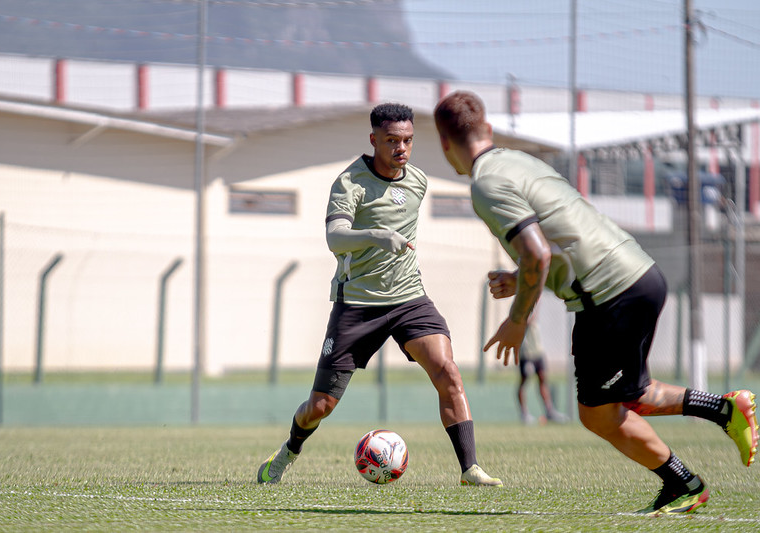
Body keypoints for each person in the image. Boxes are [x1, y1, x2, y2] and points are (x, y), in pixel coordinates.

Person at [433, 90, 758, 514]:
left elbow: (537, 252)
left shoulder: (485, 183)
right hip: (639, 272)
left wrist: (517, 318)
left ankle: (685, 481)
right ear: (489, 129)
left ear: (444, 144)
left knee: (599, 412)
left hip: (609, 295)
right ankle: (722, 412)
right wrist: (521, 278)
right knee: (630, 395)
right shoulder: (520, 161)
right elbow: (562, 236)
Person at [257, 102, 502, 487]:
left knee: (448, 371)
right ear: (374, 140)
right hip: (357, 304)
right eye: (391, 140)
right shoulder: (350, 183)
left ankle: (470, 468)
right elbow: (334, 236)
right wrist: (375, 236)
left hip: (409, 299)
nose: (401, 148)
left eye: (407, 140)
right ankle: (289, 448)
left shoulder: (417, 181)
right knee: (320, 406)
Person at [517, 314, 567, 425]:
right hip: (526, 353)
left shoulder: (532, 302)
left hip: (538, 351)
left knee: (543, 379)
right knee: (524, 381)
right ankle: (524, 413)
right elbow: (525, 319)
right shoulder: (520, 305)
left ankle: (549, 411)